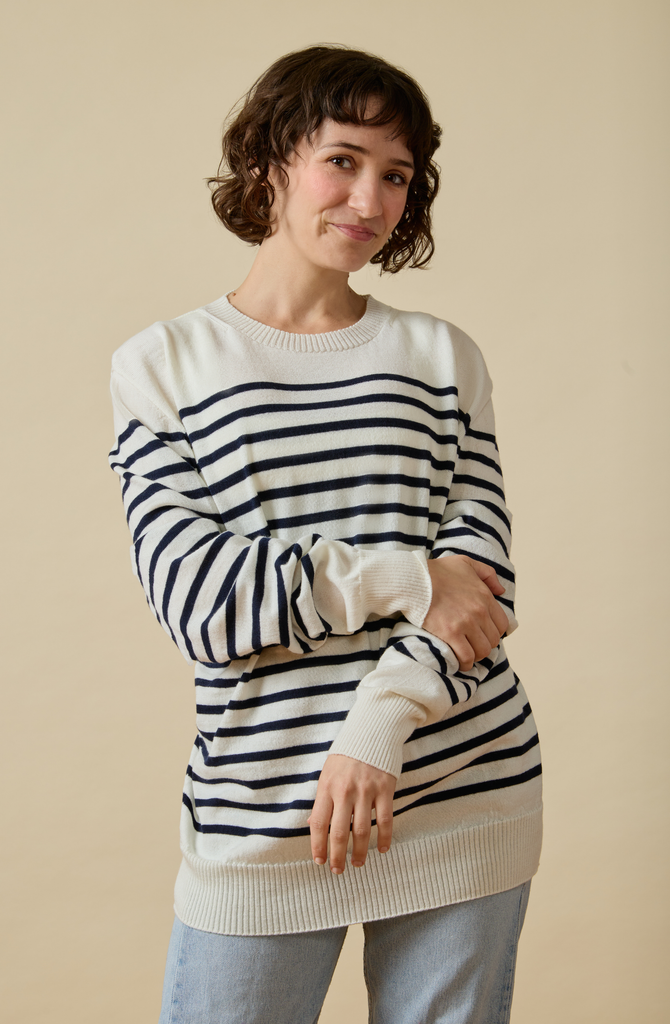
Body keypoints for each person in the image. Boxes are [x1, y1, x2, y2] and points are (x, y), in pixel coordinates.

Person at [109, 44, 542, 1024]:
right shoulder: (165, 364)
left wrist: (376, 727)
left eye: (395, 174)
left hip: (460, 792)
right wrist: (403, 573)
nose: (370, 196)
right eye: (341, 159)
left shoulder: (438, 358)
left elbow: (481, 590)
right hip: (260, 818)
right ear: (270, 159)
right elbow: (204, 605)